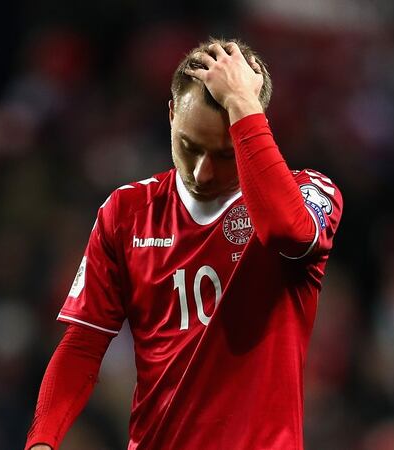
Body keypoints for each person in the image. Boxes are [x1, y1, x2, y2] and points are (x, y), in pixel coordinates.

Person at [24, 37, 343, 449]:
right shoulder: (127, 211)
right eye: (189, 147)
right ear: (172, 113)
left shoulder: (312, 193)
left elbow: (286, 231)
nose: (203, 171)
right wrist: (42, 442)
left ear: (255, 125)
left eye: (225, 153)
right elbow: (83, 344)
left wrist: (243, 103)